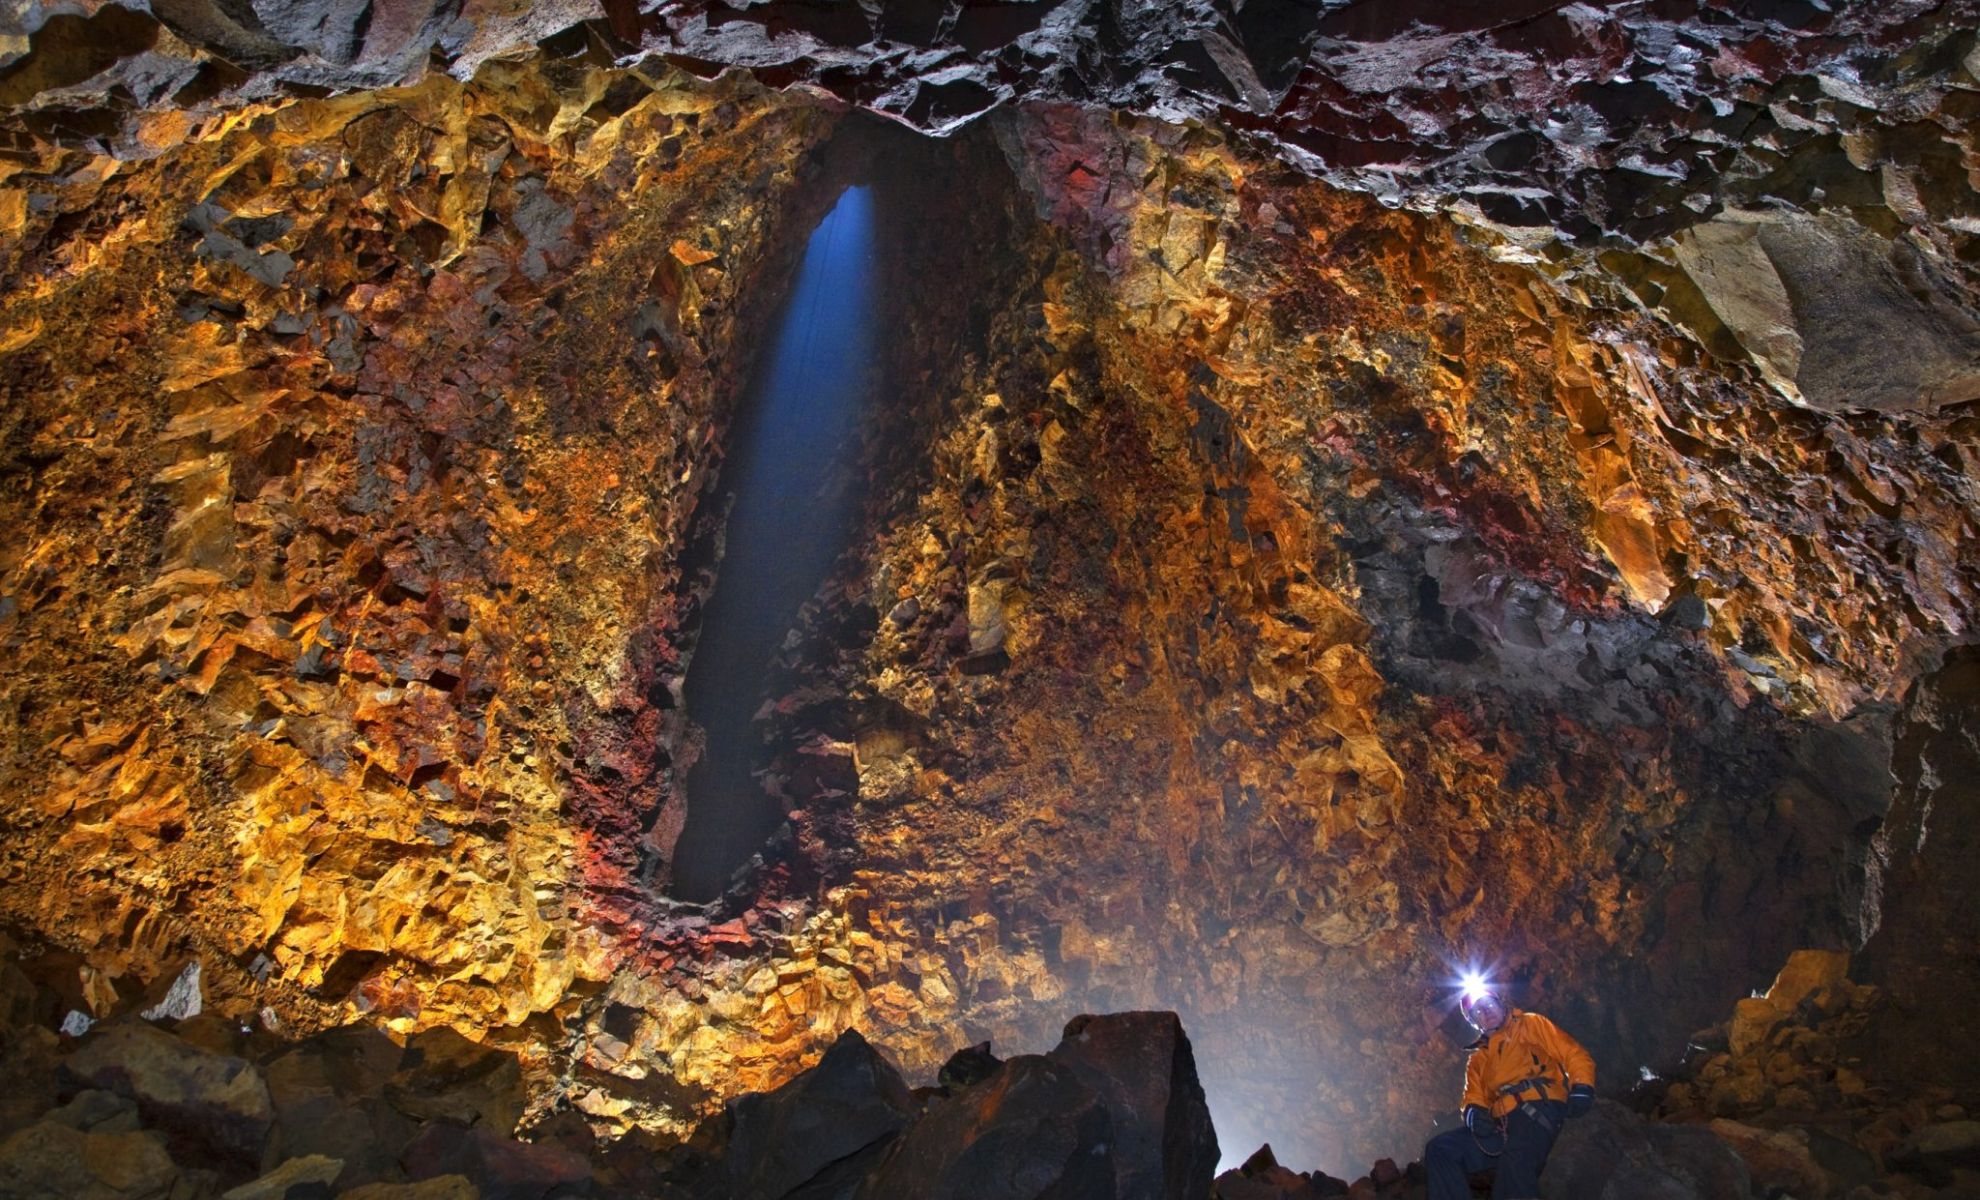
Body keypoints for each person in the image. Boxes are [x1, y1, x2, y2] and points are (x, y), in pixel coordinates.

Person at [1423, 984, 1597, 1200]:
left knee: (1514, 1163)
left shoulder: (1530, 1024)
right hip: (1501, 1125)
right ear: (1474, 1022)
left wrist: (1582, 1087)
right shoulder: (1478, 1060)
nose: (1485, 1011)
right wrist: (1474, 1116)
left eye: (1489, 1004)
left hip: (1536, 1109)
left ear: (1500, 1004)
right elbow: (1473, 1098)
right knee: (1440, 1149)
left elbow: (1573, 1053)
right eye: (1478, 1011)